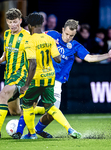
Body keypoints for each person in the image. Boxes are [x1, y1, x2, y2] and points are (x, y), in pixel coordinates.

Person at [13, 19, 111, 139]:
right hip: (40, 76)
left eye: (72, 35)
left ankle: (37, 130)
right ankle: (18, 132)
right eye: (67, 34)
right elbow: (35, 37)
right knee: (29, 104)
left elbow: (89, 58)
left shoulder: (75, 46)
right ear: (63, 30)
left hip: (57, 82)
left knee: (52, 113)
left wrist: (107, 55)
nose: (68, 37)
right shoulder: (52, 34)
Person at [16, 12, 82, 140]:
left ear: (30, 25)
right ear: (42, 24)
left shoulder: (30, 40)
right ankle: (69, 128)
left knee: (28, 105)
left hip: (36, 78)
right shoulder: (50, 39)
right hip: (50, 78)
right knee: (51, 107)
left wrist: (26, 84)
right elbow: (57, 59)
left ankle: (27, 133)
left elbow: (33, 63)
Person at [0, 8, 30, 138]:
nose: (13, 25)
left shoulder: (27, 36)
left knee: (3, 93)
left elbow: (33, 58)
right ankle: (40, 112)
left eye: (15, 21)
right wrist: (1, 58)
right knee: (15, 111)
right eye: (10, 22)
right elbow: (7, 51)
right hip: (8, 75)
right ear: (7, 22)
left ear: (20, 21)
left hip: (21, 75)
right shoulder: (6, 34)